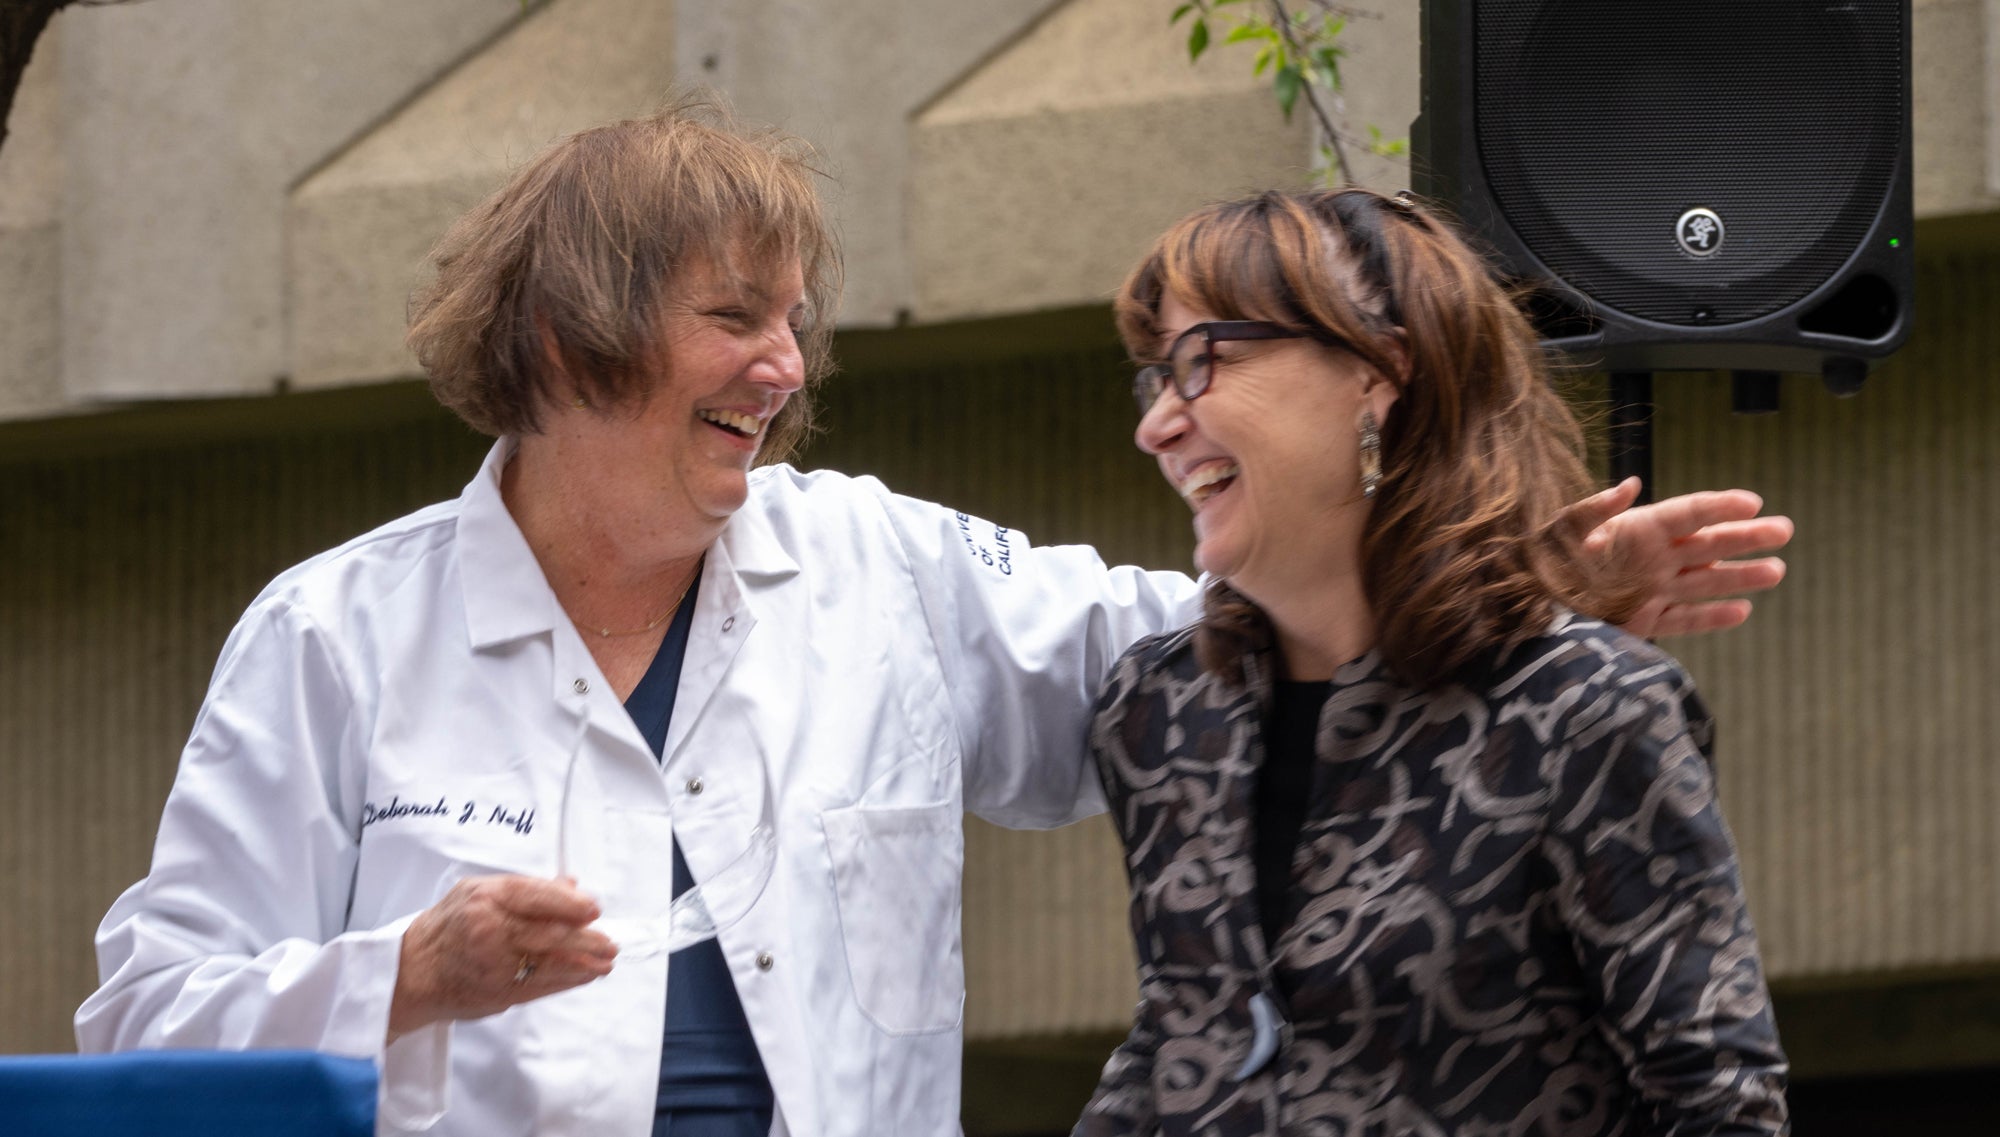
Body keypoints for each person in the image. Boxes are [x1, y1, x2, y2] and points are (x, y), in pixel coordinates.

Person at [73, 100, 1789, 1137]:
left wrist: (1500, 585)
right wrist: (405, 974)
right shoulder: (333, 636)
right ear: (562, 342)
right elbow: (146, 1028)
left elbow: (1227, 647)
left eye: (795, 321)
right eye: (735, 317)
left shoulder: (878, 565)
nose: (786, 367)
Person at [1074, 187, 1790, 1136]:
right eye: (1158, 377)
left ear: (1378, 370)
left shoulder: (1584, 707)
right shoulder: (1160, 711)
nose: (1158, 424)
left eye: (1206, 359)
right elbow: (1183, 1045)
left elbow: (1718, 1102)